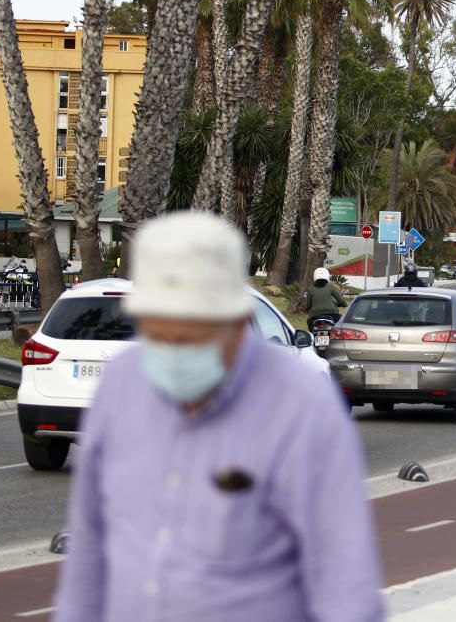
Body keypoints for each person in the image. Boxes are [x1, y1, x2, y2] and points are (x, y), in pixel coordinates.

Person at [54, 212, 384, 622]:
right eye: (158, 331)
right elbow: (89, 551)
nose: (171, 348)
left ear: (234, 319)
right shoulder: (120, 386)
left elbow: (346, 587)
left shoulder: (303, 409)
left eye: (189, 332)